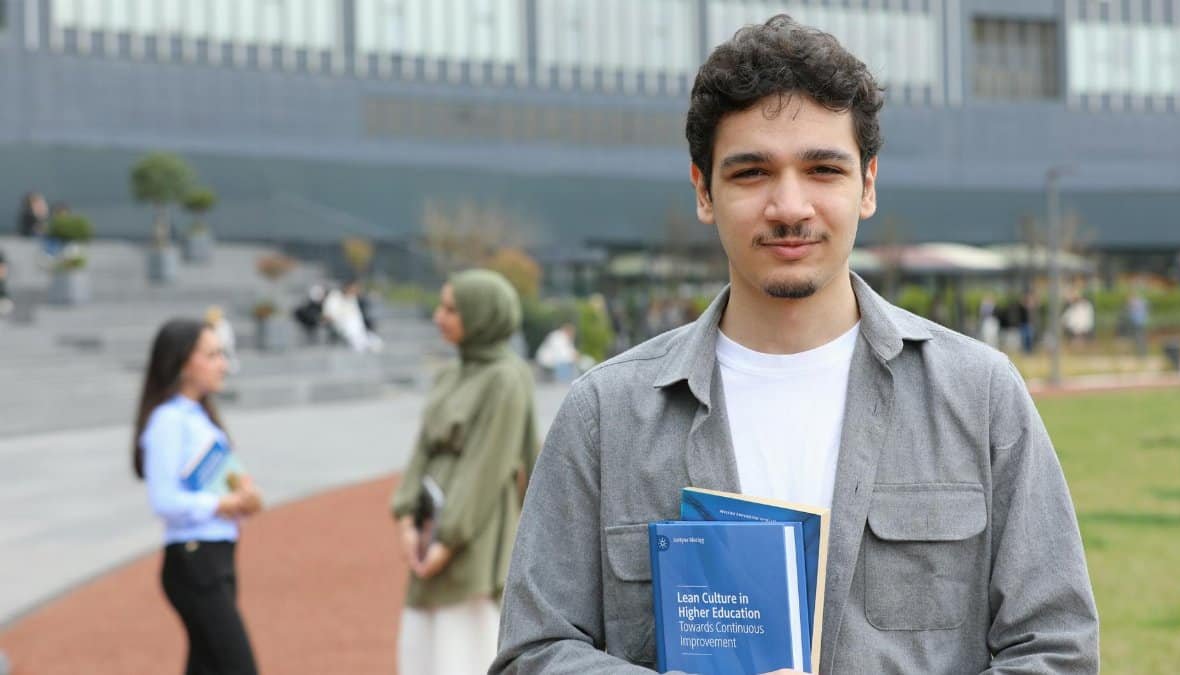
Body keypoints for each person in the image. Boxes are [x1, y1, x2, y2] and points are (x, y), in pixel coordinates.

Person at [493, 16, 1098, 674]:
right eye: (752, 172)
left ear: (867, 184)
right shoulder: (604, 415)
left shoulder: (979, 395)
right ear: (703, 189)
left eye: (822, 169)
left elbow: (1056, 648)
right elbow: (534, 650)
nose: (789, 205)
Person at [390, 269, 540, 675]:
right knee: (424, 647)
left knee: (463, 648)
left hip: (474, 534)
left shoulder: (507, 377)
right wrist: (406, 518)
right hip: (431, 526)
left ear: (481, 315)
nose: (440, 316)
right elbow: (421, 448)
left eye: (452, 309)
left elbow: (487, 468)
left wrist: (447, 539)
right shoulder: (450, 373)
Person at [133, 319, 263, 675]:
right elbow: (164, 500)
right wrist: (222, 504)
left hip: (216, 555)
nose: (223, 364)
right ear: (183, 362)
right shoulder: (167, 422)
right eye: (212, 355)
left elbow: (217, 482)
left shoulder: (200, 418)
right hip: (194, 559)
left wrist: (242, 496)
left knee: (208, 667)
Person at [322, 279, 383, 353]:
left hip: (358, 329)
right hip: (342, 327)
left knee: (376, 343)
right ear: (348, 287)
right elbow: (328, 315)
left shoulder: (352, 298)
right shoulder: (334, 297)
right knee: (357, 342)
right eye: (355, 288)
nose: (356, 291)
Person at [205, 306, 240, 374]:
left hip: (224, 344)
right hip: (215, 344)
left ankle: (231, 367)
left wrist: (220, 345)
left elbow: (226, 337)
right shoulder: (209, 325)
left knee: (227, 356)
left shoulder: (223, 325)